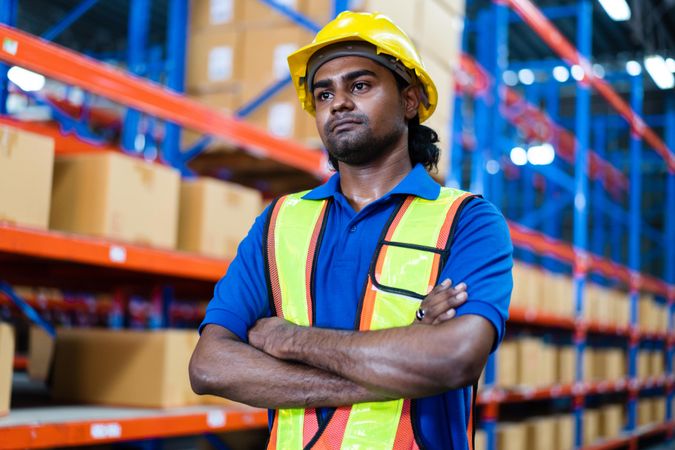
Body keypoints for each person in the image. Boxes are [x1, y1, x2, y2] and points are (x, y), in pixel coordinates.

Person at [190, 11, 513, 450]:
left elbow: (455, 358)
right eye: (324, 94)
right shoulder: (279, 221)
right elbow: (210, 366)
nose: (338, 102)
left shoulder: (467, 220)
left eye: (359, 86)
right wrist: (406, 359)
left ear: (410, 100)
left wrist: (289, 340)